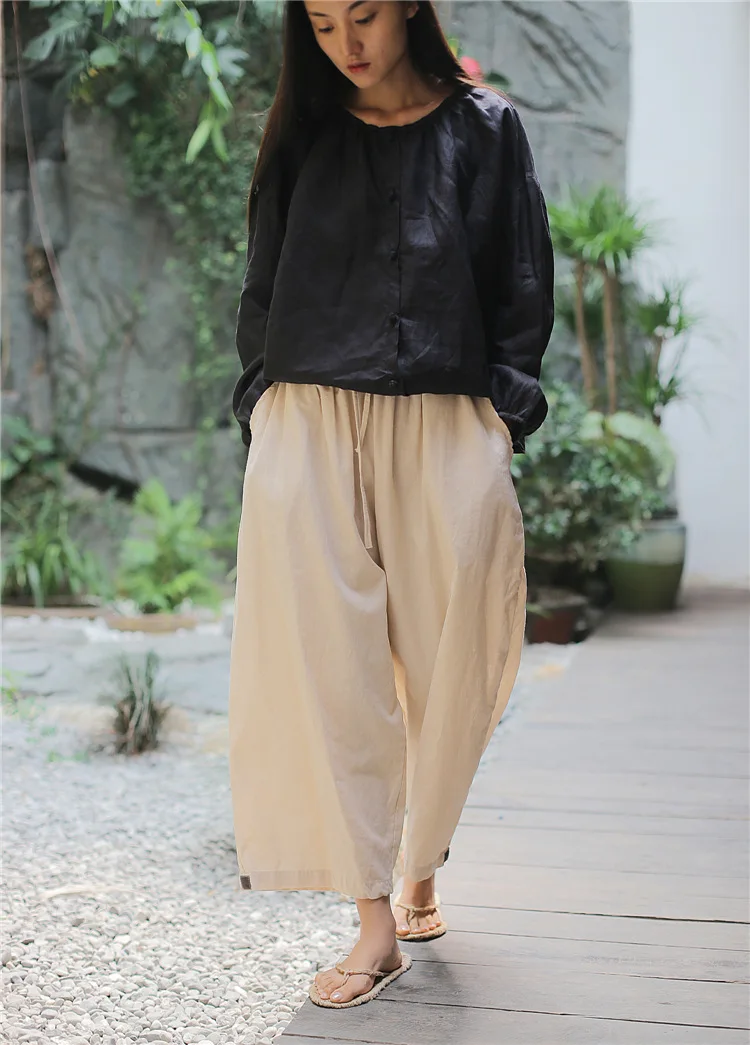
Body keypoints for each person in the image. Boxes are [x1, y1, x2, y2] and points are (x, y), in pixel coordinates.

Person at [227, 0, 554, 1010]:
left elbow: (520, 279)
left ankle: (422, 859)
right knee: (337, 673)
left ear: (410, 2)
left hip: (446, 418)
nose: (348, 44)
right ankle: (376, 922)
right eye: (324, 25)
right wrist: (262, 408)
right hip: (310, 423)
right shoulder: (305, 134)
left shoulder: (487, 130)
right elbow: (263, 285)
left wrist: (501, 418)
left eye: (363, 14)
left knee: (456, 662)